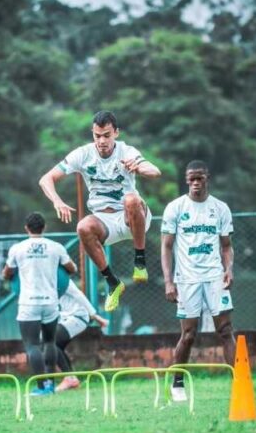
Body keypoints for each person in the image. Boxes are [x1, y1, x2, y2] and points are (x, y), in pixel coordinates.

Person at [38, 110, 162, 312]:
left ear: (116, 133)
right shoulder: (83, 154)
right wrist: (57, 201)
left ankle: (140, 261)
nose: (102, 141)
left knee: (131, 199)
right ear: (92, 134)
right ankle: (113, 283)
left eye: (106, 135)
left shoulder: (126, 151)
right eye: (97, 136)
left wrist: (139, 167)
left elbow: (155, 171)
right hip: (105, 223)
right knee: (83, 226)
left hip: (131, 218)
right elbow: (46, 179)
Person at [161, 160, 235, 402]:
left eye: (199, 178)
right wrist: (168, 282)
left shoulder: (220, 208)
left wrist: (229, 269)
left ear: (207, 178)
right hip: (187, 279)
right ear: (186, 180)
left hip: (215, 277)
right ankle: (178, 383)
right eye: (191, 178)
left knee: (225, 330)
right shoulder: (175, 208)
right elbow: (166, 246)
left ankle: (238, 381)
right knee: (189, 334)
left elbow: (226, 246)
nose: (195, 183)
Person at [2, 212, 78, 396]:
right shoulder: (56, 247)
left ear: (26, 228)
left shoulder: (17, 249)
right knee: (50, 342)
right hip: (51, 301)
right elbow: (73, 269)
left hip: (28, 303)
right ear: (44, 228)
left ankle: (42, 387)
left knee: (32, 346)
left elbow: (7, 274)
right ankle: (50, 385)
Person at [53, 281, 109, 391]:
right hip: (64, 318)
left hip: (77, 316)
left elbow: (78, 295)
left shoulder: (61, 277)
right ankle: (71, 379)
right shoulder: (45, 278)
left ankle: (69, 378)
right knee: (55, 346)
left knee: (50, 342)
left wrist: (95, 316)